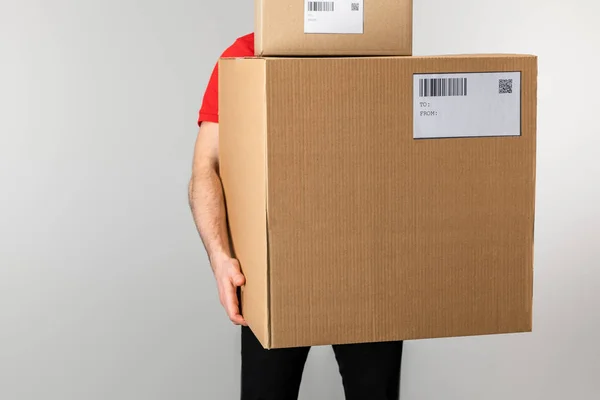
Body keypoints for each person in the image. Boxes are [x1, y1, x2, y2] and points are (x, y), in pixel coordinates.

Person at [188, 32, 404, 400]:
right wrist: (220, 259)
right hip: (271, 268)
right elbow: (206, 168)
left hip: (369, 264)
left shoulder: (383, 51)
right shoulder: (245, 56)